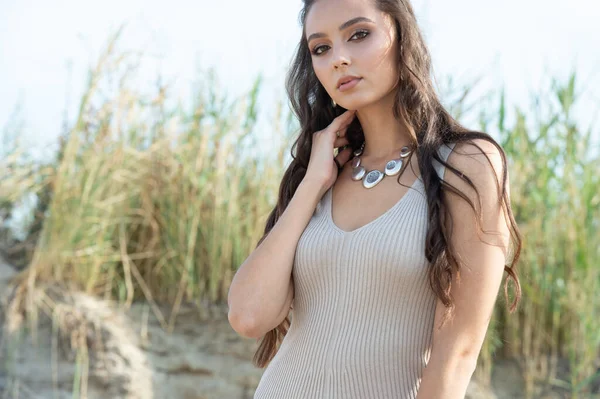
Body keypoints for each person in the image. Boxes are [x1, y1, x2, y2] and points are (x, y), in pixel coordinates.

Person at [227, 0, 522, 397]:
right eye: (321, 48)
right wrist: (313, 182)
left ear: (402, 36)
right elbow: (248, 316)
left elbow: (458, 353)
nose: (339, 59)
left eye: (359, 35)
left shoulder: (464, 165)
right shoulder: (321, 174)